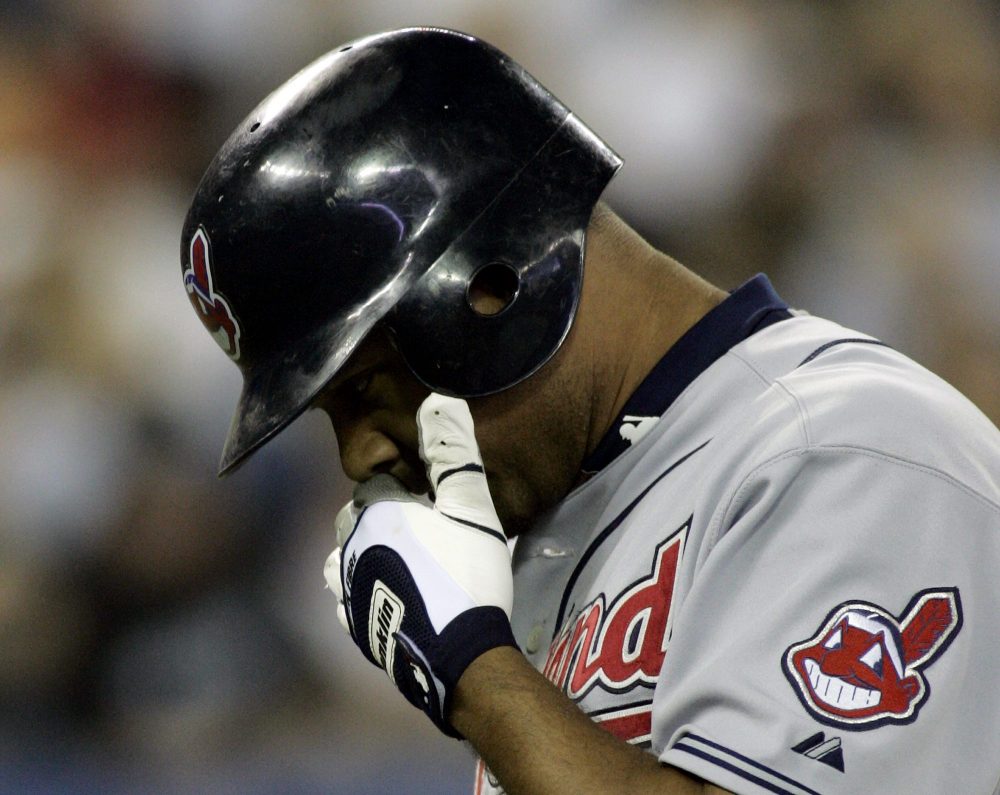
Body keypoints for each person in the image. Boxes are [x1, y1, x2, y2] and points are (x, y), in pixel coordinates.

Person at [181, 28, 1000, 795]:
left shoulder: (843, 449)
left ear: (492, 288)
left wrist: (476, 670)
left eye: (362, 390)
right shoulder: (564, 532)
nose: (359, 456)